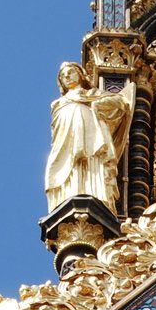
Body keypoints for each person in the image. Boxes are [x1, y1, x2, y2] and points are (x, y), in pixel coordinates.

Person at [44, 63, 134, 210]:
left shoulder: (92, 94)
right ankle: (68, 195)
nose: (67, 76)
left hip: (92, 140)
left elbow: (121, 102)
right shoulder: (57, 104)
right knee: (65, 167)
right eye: (63, 75)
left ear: (80, 75)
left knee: (91, 163)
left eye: (71, 72)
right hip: (66, 143)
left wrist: (97, 103)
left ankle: (94, 193)